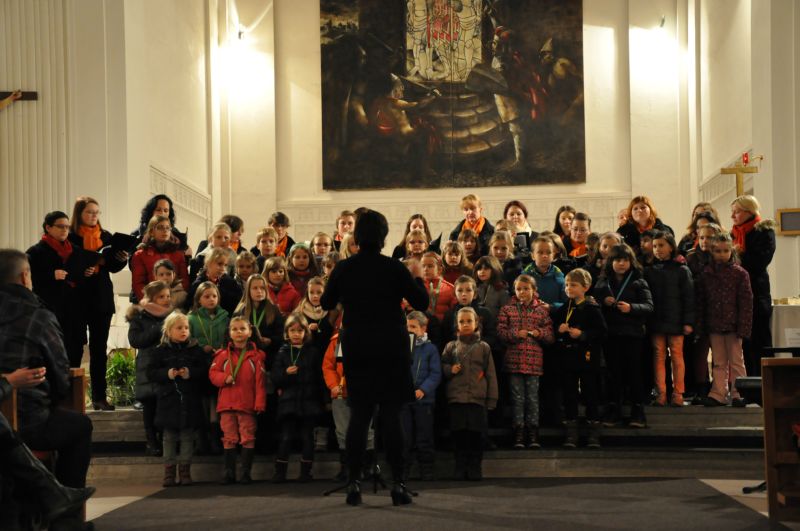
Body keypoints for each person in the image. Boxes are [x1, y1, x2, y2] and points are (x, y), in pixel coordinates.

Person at [321, 208, 429, 506]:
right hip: (391, 346)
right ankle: (398, 484)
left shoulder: (345, 268)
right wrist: (418, 278)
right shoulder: (394, 268)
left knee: (360, 415)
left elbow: (326, 301)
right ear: (383, 236)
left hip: (357, 346)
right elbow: (421, 302)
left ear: (357, 236)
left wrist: (338, 282)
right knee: (392, 416)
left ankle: (354, 484)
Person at [0, 249, 93, 528]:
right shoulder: (37, 316)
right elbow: (60, 374)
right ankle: (66, 519)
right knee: (79, 426)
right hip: (28, 420)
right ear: (24, 276)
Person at [1, 369, 95, 530]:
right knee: (80, 426)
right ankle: (63, 515)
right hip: (27, 422)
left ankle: (53, 495)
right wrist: (9, 382)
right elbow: (60, 381)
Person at [68, 196, 129, 411]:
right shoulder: (71, 237)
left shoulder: (106, 237)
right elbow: (69, 263)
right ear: (79, 214)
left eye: (96, 212)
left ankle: (99, 397)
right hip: (77, 299)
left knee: (99, 350)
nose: (94, 216)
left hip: (100, 298)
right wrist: (85, 267)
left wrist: (121, 258)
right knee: (74, 348)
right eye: (89, 212)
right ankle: (72, 400)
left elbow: (113, 267)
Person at [594, 244, 653, 428]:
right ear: (610, 262)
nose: (621, 264)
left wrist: (631, 308)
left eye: (625, 260)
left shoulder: (638, 281)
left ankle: (637, 411)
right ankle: (614, 409)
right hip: (611, 335)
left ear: (631, 262)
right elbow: (592, 305)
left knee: (634, 373)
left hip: (632, 335)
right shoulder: (603, 283)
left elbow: (649, 306)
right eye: (618, 260)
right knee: (613, 373)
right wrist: (603, 302)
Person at [496, 275, 554, 449]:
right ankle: (519, 432)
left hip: (534, 363)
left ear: (534, 290)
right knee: (517, 399)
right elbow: (500, 332)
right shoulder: (507, 309)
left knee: (532, 398)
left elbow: (550, 336)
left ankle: (533, 431)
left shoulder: (541, 311)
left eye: (526, 289)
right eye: (519, 289)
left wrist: (539, 333)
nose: (522, 292)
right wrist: (515, 334)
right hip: (513, 362)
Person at [149, 311, 206, 487]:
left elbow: (204, 371)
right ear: (168, 331)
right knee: (169, 437)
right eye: (179, 328)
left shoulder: (195, 350)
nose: (184, 331)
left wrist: (190, 373)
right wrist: (167, 374)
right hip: (168, 400)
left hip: (189, 399)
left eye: (186, 328)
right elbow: (151, 372)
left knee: (188, 436)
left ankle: (185, 471)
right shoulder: (160, 351)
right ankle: (169, 472)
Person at [552, 269, 607, 448]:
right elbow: (554, 330)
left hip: (587, 357)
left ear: (585, 287)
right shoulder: (563, 308)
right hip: (568, 358)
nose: (569, 288)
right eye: (567, 285)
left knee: (590, 393)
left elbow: (602, 332)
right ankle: (571, 433)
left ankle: (593, 433)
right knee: (569, 394)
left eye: (573, 285)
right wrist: (558, 330)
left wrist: (583, 334)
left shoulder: (592, 308)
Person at [441, 307, 498, 480]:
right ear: (456, 325)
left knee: (476, 435)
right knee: (459, 434)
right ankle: (460, 466)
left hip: (477, 399)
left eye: (469, 321)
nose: (465, 324)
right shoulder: (451, 346)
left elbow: (490, 374)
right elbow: (442, 366)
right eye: (462, 322)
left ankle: (474, 467)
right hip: (457, 398)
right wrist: (450, 369)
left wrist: (492, 398)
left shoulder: (484, 347)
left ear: (476, 323)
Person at [696, 233, 753, 407]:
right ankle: (718, 393)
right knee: (718, 361)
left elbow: (746, 302)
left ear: (731, 251)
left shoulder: (740, 273)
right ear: (711, 252)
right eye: (718, 251)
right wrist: (701, 325)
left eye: (725, 251)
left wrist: (744, 327)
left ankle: (739, 393)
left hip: (734, 326)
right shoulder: (706, 274)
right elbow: (701, 301)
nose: (722, 254)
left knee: (736, 361)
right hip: (714, 324)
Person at [26, 212, 85, 375]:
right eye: (60, 226)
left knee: (74, 351)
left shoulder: (76, 250)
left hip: (74, 310)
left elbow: (81, 279)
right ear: (48, 227)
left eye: (67, 227)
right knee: (51, 352)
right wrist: (51, 275)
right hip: (50, 309)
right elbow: (27, 279)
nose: (65, 230)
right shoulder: (35, 252)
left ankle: (72, 389)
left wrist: (87, 272)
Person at [209, 317, 266, 484]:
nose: (238, 332)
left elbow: (260, 383)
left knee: (248, 436)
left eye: (242, 329)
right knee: (229, 437)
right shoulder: (221, 355)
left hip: (247, 404)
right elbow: (212, 374)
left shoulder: (256, 356)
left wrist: (260, 403)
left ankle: (246, 473)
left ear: (250, 332)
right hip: (226, 404)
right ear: (229, 333)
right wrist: (224, 378)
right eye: (234, 329)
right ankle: (229, 472)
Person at [321, 314, 376, 483]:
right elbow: (328, 366)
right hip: (341, 392)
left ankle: (367, 468)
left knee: (367, 431)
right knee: (343, 431)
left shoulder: (370, 341)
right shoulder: (337, 341)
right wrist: (333, 385)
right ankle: (347, 469)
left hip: (364, 393)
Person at [271, 315, 323, 483]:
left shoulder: (312, 352)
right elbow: (275, 377)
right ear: (287, 333)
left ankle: (306, 472)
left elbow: (318, 377)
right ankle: (280, 472)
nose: (296, 334)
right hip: (289, 401)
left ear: (305, 333)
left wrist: (323, 400)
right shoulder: (282, 352)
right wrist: (285, 373)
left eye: (300, 331)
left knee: (307, 437)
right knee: (286, 437)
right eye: (292, 330)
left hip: (309, 400)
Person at [644, 232, 694, 407]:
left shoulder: (682, 270)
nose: (657, 249)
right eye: (654, 246)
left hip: (676, 320)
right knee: (658, 355)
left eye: (661, 245)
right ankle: (661, 393)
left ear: (671, 247)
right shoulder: (649, 271)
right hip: (656, 320)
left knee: (677, 355)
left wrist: (688, 322)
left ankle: (678, 393)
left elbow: (689, 297)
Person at [730, 195, 776, 376]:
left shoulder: (764, 231)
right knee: (744, 343)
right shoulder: (733, 234)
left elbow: (760, 262)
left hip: (757, 292)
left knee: (760, 339)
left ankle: (767, 380)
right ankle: (748, 382)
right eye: (732, 212)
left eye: (736, 212)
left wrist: (738, 255)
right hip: (737, 294)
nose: (732, 216)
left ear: (749, 211)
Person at [127, 280, 173, 456]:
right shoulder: (140, 317)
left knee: (164, 405)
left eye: (168, 296)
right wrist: (158, 328)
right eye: (161, 297)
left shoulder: (173, 315)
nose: (166, 299)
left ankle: (164, 439)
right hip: (148, 366)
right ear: (152, 298)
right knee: (150, 405)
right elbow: (136, 340)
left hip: (167, 365)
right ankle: (151, 440)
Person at [402, 311, 441, 481]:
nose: (409, 330)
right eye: (407, 327)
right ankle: (404, 469)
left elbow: (435, 373)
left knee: (424, 435)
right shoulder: (402, 348)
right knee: (405, 436)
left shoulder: (430, 349)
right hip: (404, 399)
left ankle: (426, 468)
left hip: (424, 400)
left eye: (413, 327)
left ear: (423, 328)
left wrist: (423, 390)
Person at [130, 215, 190, 303]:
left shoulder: (179, 254)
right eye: (160, 227)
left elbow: (184, 281)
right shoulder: (140, 255)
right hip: (150, 301)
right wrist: (151, 301)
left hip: (174, 301)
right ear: (151, 232)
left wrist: (170, 300)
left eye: (167, 228)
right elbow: (138, 284)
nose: (165, 230)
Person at [186, 248, 242, 316]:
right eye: (219, 264)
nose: (223, 268)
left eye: (225, 265)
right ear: (208, 263)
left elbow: (238, 301)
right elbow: (190, 305)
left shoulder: (229, 282)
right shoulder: (198, 284)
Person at [522, 236, 567, 311]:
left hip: (553, 316)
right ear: (533, 256)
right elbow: (518, 300)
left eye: (549, 252)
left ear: (553, 256)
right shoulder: (525, 276)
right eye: (540, 252)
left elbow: (567, 303)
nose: (545, 256)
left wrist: (551, 307)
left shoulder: (559, 276)